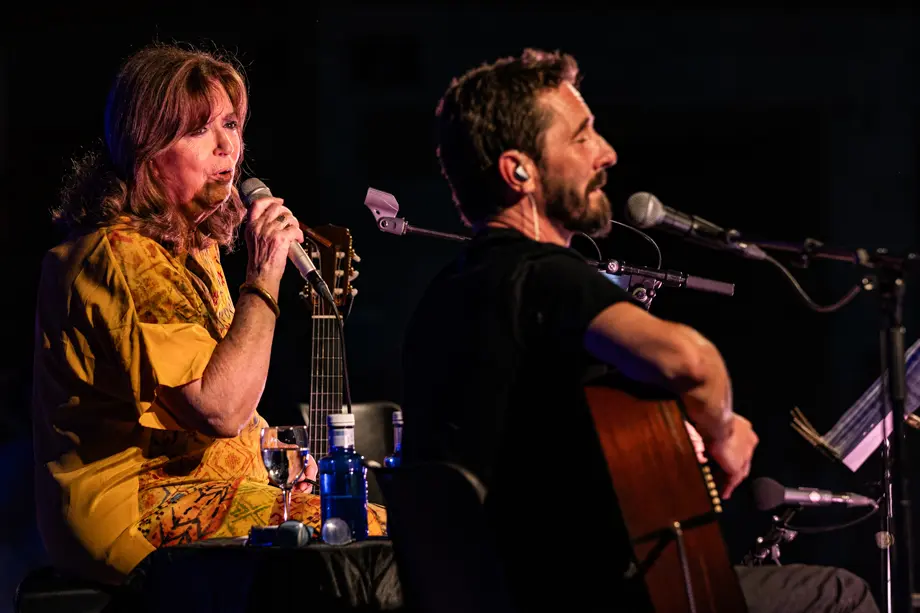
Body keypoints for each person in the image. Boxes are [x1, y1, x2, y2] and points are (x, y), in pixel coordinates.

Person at [401, 48, 879, 613]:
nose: (607, 153)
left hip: (513, 594)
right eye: (581, 138)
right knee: (840, 594)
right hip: (600, 596)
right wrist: (722, 427)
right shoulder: (542, 276)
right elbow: (688, 359)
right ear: (519, 170)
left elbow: (534, 448)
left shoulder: (446, 293)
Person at [31, 44, 386, 584]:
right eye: (198, 130)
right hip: (138, 506)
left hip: (201, 486)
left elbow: (223, 410)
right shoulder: (123, 256)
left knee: (368, 523)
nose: (228, 147)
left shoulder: (192, 247)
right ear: (146, 150)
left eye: (230, 123)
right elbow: (218, 410)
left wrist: (282, 457)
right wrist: (263, 274)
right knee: (358, 535)